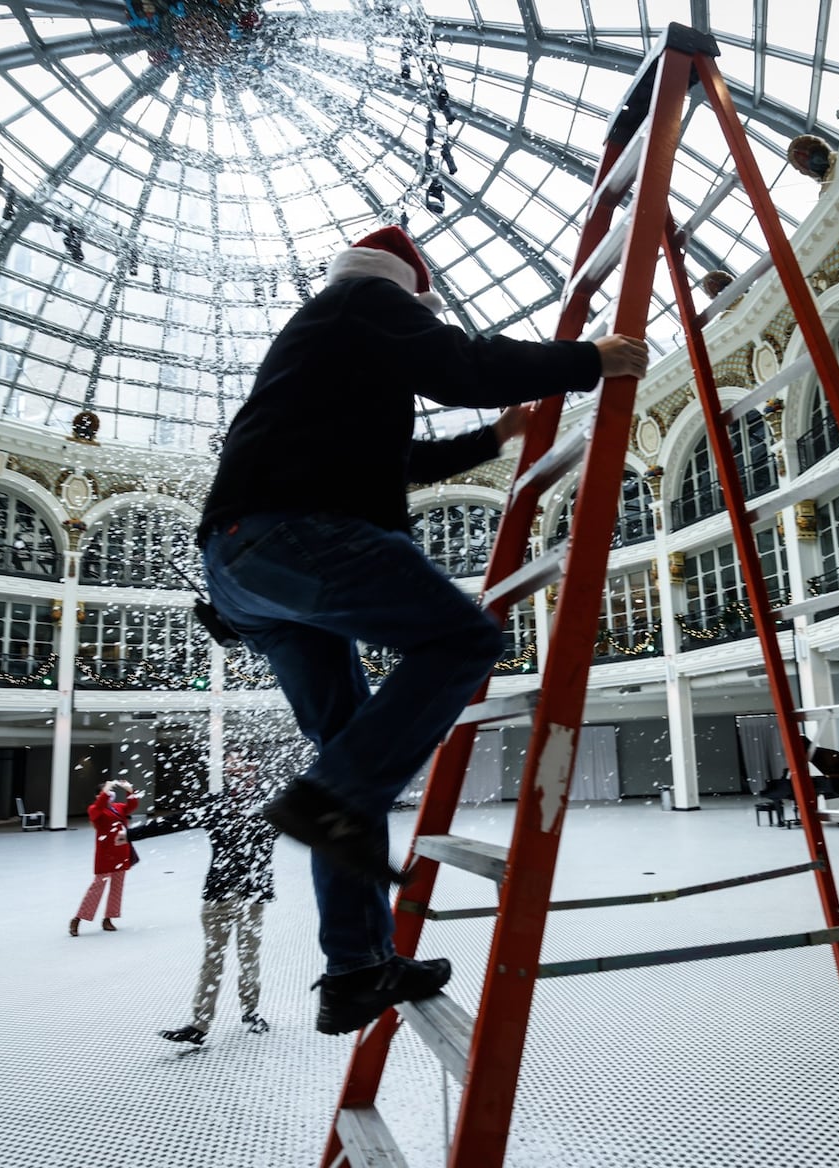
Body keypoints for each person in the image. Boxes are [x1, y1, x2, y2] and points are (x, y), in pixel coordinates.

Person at [198, 225, 650, 1034]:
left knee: (346, 749)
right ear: (409, 286)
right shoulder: (363, 297)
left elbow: (399, 459)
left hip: (246, 568)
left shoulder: (326, 347)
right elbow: (463, 366)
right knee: (462, 642)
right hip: (296, 535)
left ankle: (356, 969)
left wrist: (496, 440)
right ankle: (331, 805)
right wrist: (590, 357)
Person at [158, 750, 279, 1046]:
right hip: (218, 896)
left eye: (241, 765)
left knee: (249, 958)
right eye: (230, 766)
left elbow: (308, 824)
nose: (235, 771)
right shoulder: (216, 804)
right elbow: (177, 821)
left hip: (252, 896)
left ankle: (250, 1012)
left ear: (254, 769)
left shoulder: (271, 806)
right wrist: (130, 834)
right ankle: (199, 1024)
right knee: (212, 960)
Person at [69, 780, 140, 934]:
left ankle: (109, 918)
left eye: (111, 793)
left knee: (117, 886)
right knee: (97, 886)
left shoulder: (118, 808)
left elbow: (132, 807)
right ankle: (78, 918)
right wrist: (104, 792)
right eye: (107, 793)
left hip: (121, 851)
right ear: (99, 796)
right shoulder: (95, 809)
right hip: (105, 853)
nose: (110, 796)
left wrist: (130, 791)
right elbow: (97, 810)